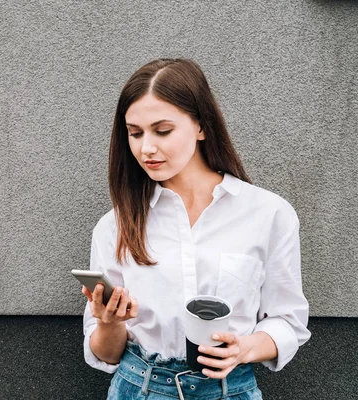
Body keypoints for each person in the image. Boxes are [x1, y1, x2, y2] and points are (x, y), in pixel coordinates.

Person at [81, 59, 310, 399]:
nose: (146, 148)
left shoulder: (268, 214)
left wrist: (243, 349)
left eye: (162, 131)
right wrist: (109, 322)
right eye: (135, 132)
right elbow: (106, 354)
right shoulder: (115, 226)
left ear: (201, 126)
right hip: (138, 387)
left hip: (229, 390)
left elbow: (288, 321)